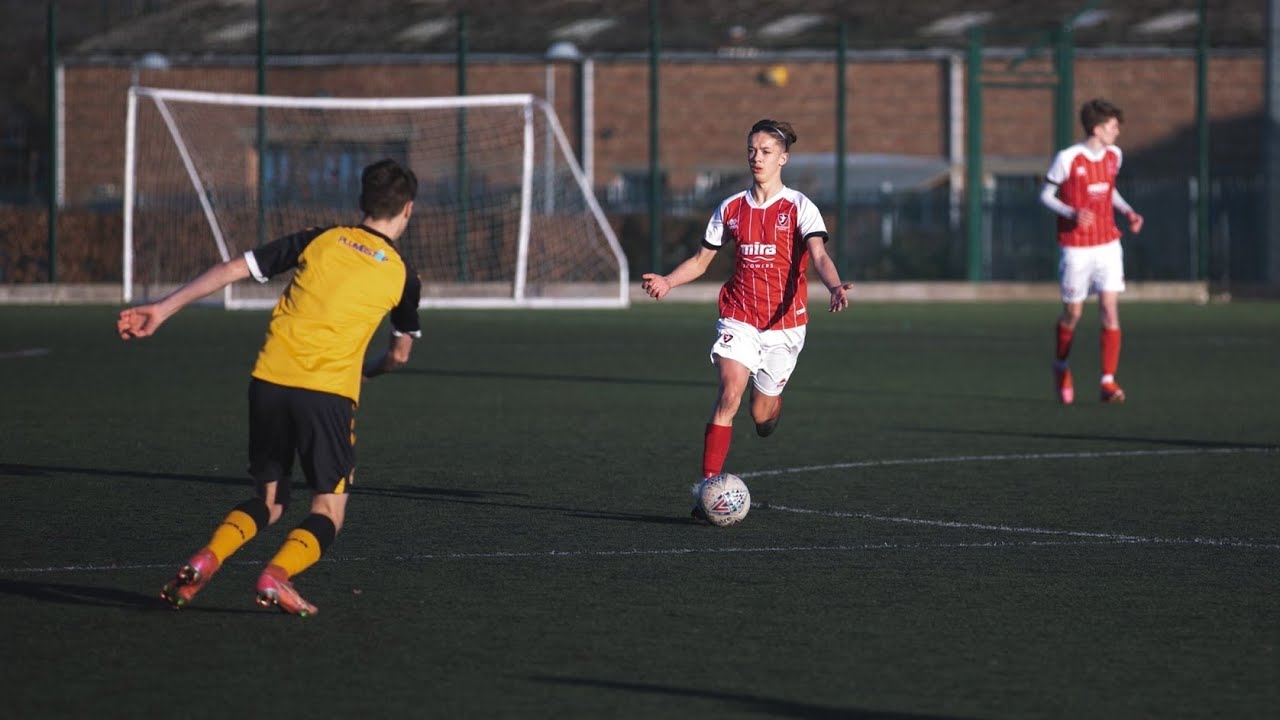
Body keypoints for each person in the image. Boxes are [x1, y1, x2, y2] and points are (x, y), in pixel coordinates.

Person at [117, 158, 423, 617]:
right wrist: (370, 370)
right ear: (408, 210)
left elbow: (233, 269)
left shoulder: (318, 239)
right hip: (328, 395)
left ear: (361, 202)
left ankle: (207, 558)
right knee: (328, 510)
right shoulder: (404, 276)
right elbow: (399, 355)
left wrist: (161, 309)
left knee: (270, 500)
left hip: (269, 381)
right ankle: (277, 575)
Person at [641, 119, 852, 520]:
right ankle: (707, 490)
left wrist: (835, 286)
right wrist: (668, 281)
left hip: (786, 326)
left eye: (766, 151)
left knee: (760, 413)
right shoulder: (731, 208)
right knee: (729, 394)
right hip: (739, 316)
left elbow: (820, 256)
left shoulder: (799, 206)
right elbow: (702, 261)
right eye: (752, 150)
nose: (757, 158)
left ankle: (772, 403)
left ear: (782, 159)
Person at [1040, 98, 1144, 405]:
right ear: (1097, 129)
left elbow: (1110, 190)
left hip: (1108, 244)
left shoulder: (1115, 156)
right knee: (1073, 313)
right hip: (1076, 248)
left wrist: (1128, 212)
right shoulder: (1068, 158)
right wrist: (1071, 212)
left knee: (1110, 310)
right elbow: (1045, 195)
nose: (1117, 132)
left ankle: (1107, 381)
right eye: (1112, 126)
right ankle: (1060, 365)